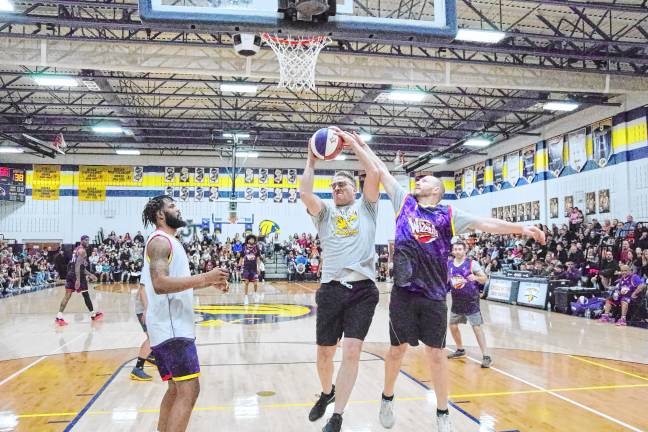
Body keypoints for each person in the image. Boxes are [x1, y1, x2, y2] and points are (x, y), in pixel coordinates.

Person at [346, 132, 544, 431]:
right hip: (403, 292)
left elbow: (486, 223)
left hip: (435, 295)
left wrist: (522, 229)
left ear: (436, 190)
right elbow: (382, 170)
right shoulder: (404, 203)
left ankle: (442, 413)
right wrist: (359, 146)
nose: (418, 181)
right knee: (397, 351)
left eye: (424, 180)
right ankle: (387, 397)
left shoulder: (450, 214)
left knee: (436, 354)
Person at [300, 128, 380, 432]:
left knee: (351, 351)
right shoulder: (325, 212)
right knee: (324, 353)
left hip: (363, 290)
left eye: (342, 184)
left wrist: (355, 143)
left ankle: (338, 416)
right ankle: (326, 392)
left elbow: (372, 171)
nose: (336, 188)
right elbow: (306, 194)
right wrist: (311, 159)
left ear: (354, 189)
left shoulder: (367, 207)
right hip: (331, 289)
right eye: (333, 186)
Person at [141, 195, 229, 432]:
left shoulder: (168, 241)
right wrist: (205, 277)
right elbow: (159, 283)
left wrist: (208, 283)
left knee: (176, 389)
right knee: (190, 390)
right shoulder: (160, 242)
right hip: (172, 331)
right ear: (161, 215)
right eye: (171, 207)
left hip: (166, 329)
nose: (177, 210)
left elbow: (170, 282)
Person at [446, 242, 491, 367]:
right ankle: (460, 350)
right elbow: (447, 280)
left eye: (460, 249)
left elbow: (485, 278)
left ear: (465, 250)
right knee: (453, 325)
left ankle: (486, 356)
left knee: (476, 327)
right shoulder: (449, 264)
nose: (457, 251)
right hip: (457, 300)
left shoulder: (472, 263)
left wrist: (476, 278)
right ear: (453, 251)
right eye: (455, 249)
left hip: (471, 300)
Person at [55, 235, 102, 326]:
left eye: (88, 240)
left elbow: (76, 264)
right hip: (78, 275)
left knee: (67, 296)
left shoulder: (76, 249)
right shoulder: (82, 251)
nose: (87, 242)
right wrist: (78, 280)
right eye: (86, 240)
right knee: (85, 294)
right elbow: (78, 266)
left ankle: (59, 316)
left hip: (71, 274)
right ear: (81, 241)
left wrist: (90, 275)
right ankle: (93, 315)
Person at [130, 283, 156, 381]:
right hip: (145, 310)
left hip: (148, 310)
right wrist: (146, 309)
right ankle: (138, 368)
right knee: (152, 338)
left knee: (155, 337)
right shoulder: (147, 270)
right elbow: (142, 290)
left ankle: (152, 356)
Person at [240, 234, 261, 305]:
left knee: (255, 283)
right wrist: (239, 266)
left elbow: (258, 258)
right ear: (248, 240)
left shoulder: (256, 247)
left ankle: (255, 294)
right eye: (250, 239)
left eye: (253, 239)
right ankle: (246, 297)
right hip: (246, 267)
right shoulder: (244, 247)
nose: (251, 240)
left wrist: (258, 267)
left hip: (254, 267)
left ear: (254, 240)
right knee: (246, 283)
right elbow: (241, 257)